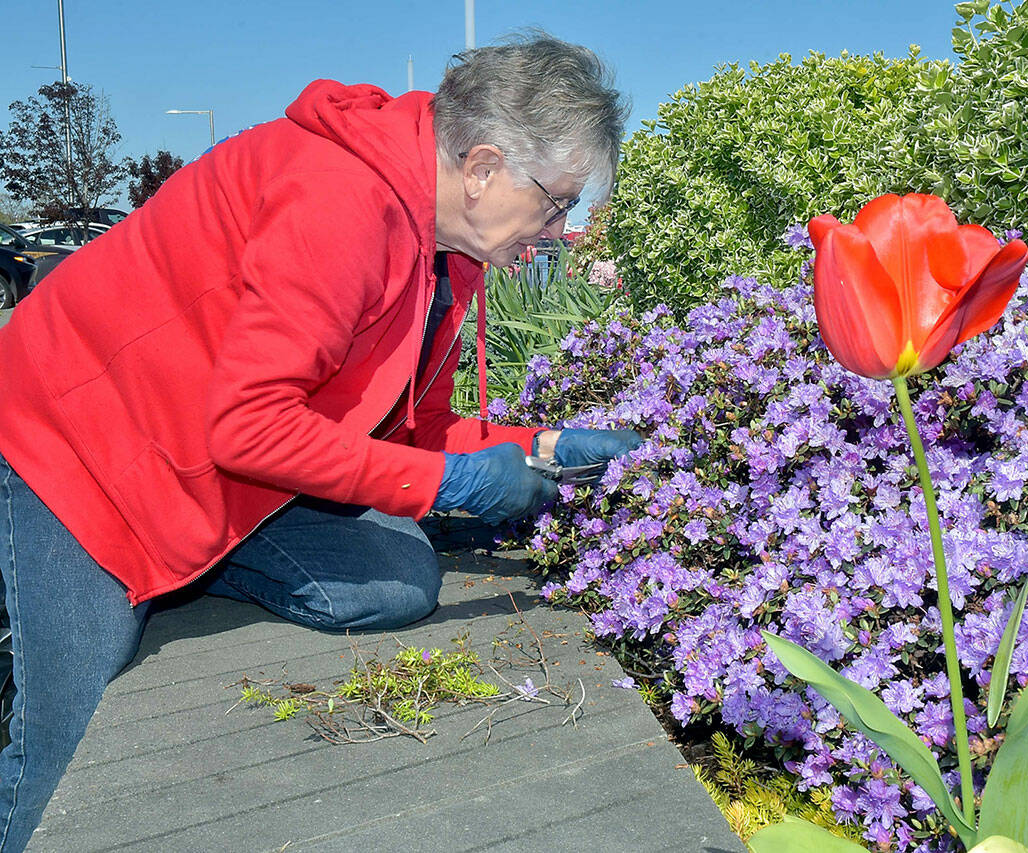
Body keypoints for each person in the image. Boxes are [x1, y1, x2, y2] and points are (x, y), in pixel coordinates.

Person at [0, 33, 639, 850]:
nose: (557, 229)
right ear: (481, 168)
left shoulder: (449, 248)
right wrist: (458, 487)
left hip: (210, 457)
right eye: (556, 202)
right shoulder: (342, 199)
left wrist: (549, 443)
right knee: (70, 742)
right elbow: (251, 426)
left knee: (401, 578)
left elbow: (424, 428)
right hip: (75, 443)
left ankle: (205, 559)